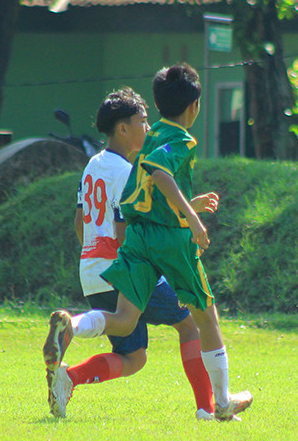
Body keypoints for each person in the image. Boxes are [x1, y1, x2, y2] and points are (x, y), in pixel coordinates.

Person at [44, 64, 253, 422]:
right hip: (124, 263)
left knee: (133, 352)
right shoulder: (130, 169)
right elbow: (128, 220)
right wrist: (147, 255)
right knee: (191, 321)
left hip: (91, 270)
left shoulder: (92, 166)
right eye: (142, 122)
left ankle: (70, 353)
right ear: (122, 128)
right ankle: (210, 406)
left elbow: (81, 223)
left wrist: (189, 206)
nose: (147, 127)